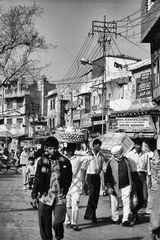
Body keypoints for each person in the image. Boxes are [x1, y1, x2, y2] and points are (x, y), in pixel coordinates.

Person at [31, 136, 72, 240]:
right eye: (50, 148)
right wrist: (34, 195)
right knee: (44, 223)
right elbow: (37, 178)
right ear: (46, 148)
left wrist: (65, 190)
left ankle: (58, 235)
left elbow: (69, 177)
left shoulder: (64, 161)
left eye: (54, 148)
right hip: (45, 196)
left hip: (60, 196)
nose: (53, 150)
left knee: (58, 221)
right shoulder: (41, 161)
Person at [105, 144, 133, 227]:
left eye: (119, 153)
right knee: (114, 202)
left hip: (126, 184)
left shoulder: (126, 161)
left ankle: (125, 220)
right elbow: (107, 176)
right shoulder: (110, 162)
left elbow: (130, 172)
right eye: (115, 155)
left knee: (126, 201)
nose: (117, 156)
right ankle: (115, 218)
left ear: (121, 153)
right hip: (114, 185)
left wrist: (131, 184)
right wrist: (109, 187)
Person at [126, 138, 152, 225]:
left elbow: (148, 168)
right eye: (137, 145)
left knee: (144, 198)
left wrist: (149, 179)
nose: (138, 147)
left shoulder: (145, 154)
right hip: (133, 176)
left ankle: (134, 211)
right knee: (133, 197)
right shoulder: (129, 155)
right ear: (134, 145)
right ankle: (135, 215)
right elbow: (127, 168)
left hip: (142, 176)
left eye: (140, 145)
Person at [82, 138, 107, 223]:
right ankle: (90, 215)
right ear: (94, 145)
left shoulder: (101, 155)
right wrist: (83, 181)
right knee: (92, 195)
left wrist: (102, 170)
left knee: (96, 196)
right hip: (90, 176)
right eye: (98, 145)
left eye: (100, 145)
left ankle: (92, 215)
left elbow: (104, 167)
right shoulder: (88, 155)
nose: (99, 147)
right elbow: (84, 168)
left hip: (97, 176)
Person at [65, 143, 86, 231]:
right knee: (67, 205)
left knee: (75, 204)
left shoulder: (78, 158)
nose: (69, 152)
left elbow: (90, 156)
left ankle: (74, 223)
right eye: (68, 150)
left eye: (70, 150)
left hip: (76, 186)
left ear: (73, 151)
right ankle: (67, 221)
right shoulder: (63, 159)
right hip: (65, 186)